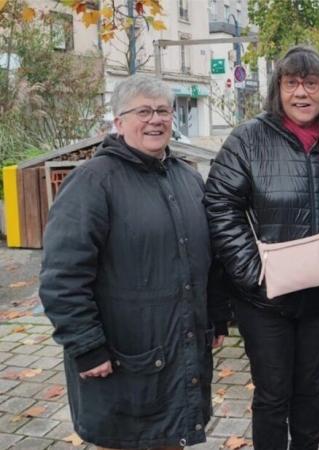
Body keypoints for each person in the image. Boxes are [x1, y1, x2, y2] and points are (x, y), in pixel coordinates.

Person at [39, 74, 228, 450]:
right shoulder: (93, 182)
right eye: (143, 111)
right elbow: (62, 277)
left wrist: (216, 317)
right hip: (122, 361)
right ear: (118, 121)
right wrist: (87, 347)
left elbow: (210, 259)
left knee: (171, 437)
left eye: (162, 111)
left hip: (177, 353)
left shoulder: (188, 179)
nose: (155, 120)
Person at [204, 46, 319, 450]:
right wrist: (252, 272)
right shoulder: (248, 139)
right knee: (272, 394)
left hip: (318, 293)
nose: (302, 93)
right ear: (277, 89)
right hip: (263, 299)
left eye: (312, 83)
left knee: (309, 390)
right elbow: (219, 204)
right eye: (292, 83)